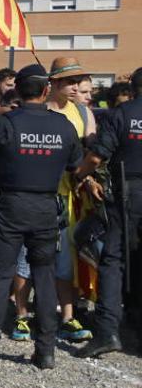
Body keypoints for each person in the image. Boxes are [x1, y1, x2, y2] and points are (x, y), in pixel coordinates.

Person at [0, 64, 84, 370]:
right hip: (45, 208)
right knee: (44, 276)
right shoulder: (64, 126)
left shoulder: (5, 123)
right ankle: (46, 351)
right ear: (45, 90)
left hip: (7, 207)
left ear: (19, 90)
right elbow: (76, 167)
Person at [75, 67, 142, 358]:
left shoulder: (122, 114)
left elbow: (97, 155)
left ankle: (107, 332)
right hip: (128, 191)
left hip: (127, 193)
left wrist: (81, 173)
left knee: (113, 261)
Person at [41, 57, 96, 343]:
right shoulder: (38, 111)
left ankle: (67, 316)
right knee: (34, 261)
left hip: (72, 197)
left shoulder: (84, 114)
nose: (76, 87)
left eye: (79, 82)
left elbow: (91, 151)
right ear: (55, 83)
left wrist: (87, 178)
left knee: (66, 262)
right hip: (40, 197)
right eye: (71, 81)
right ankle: (28, 314)